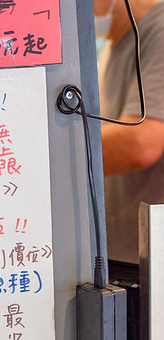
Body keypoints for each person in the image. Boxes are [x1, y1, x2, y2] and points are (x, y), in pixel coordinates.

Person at [95, 0, 164, 265]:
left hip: (149, 264)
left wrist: (49, 156)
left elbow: (142, 142)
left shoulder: (158, 32)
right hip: (123, 257)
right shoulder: (116, 43)